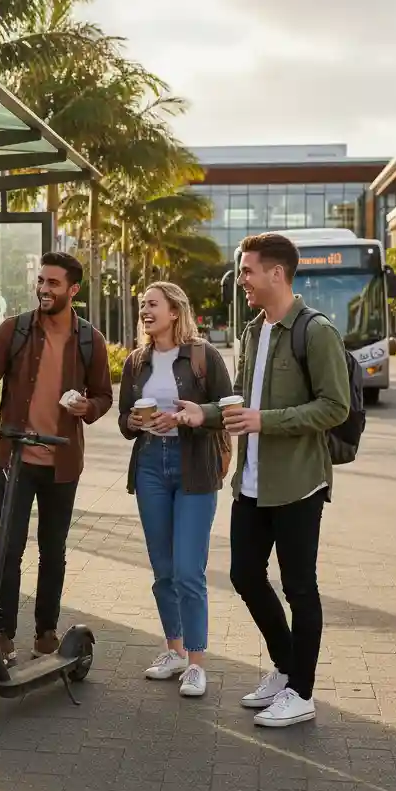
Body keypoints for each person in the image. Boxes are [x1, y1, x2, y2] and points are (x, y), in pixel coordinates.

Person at [178, 232, 350, 727]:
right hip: (251, 485)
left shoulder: (315, 332)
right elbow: (238, 401)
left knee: (300, 587)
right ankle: (286, 667)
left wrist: (265, 421)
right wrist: (203, 413)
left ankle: (302, 692)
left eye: (249, 271)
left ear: (277, 273)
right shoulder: (254, 331)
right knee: (245, 576)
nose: (243, 281)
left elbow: (334, 407)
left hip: (298, 484)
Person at [0, 251, 113, 663]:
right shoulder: (14, 330)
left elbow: (104, 395)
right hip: (14, 460)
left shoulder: (90, 339)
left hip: (62, 462)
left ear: (73, 290)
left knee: (53, 549)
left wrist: (86, 409)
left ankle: (46, 632)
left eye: (53, 283)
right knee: (9, 548)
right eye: (41, 281)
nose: (44, 289)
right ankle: (2, 633)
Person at [118, 282, 232, 698]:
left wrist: (187, 418)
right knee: (163, 569)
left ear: (174, 310)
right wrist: (136, 422)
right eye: (142, 305)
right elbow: (122, 421)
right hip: (150, 463)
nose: (145, 311)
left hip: (194, 467)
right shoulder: (136, 362)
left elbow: (228, 409)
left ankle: (197, 662)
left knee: (188, 570)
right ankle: (174, 650)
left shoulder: (204, 356)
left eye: (153, 304)